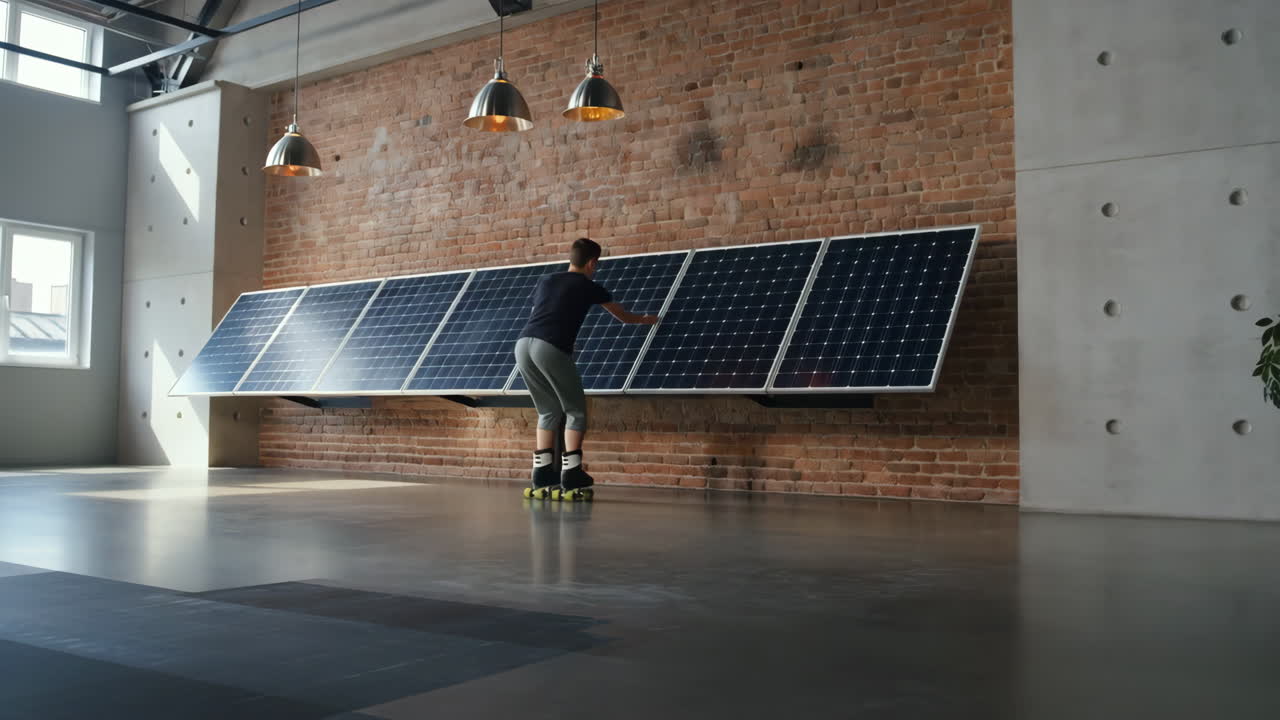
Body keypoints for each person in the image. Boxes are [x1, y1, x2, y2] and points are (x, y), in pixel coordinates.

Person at [514, 238, 659, 499]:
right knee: (576, 411)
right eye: (597, 264)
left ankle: (542, 474)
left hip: (523, 345)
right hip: (550, 347)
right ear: (592, 263)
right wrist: (646, 319)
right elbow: (622, 316)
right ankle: (572, 474)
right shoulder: (588, 286)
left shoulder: (546, 281)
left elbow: (544, 312)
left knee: (547, 410)